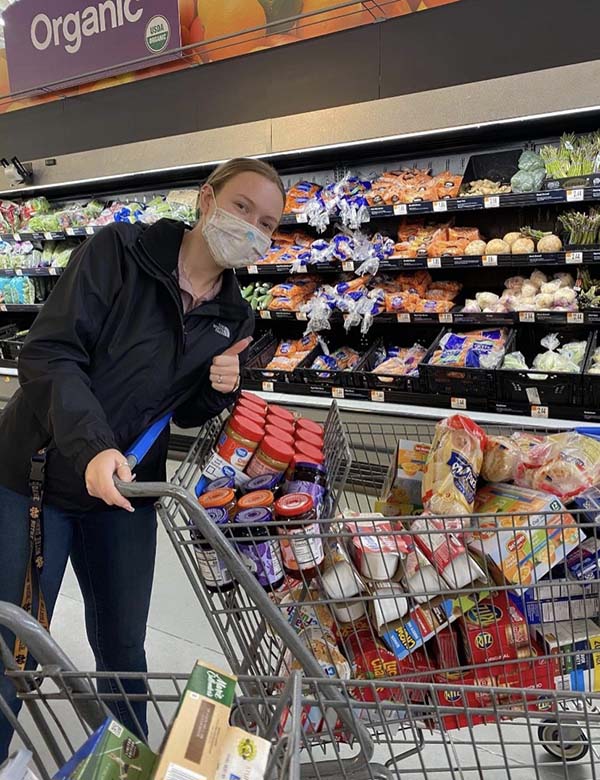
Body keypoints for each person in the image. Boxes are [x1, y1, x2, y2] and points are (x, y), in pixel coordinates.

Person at [0, 158, 286, 759]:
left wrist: (220, 388)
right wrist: (92, 445)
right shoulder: (118, 253)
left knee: (126, 646)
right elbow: (51, 353)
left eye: (267, 223)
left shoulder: (235, 313)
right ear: (205, 200)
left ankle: (127, 760)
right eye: (242, 208)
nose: (253, 228)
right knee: (16, 643)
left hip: (129, 492)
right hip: (36, 477)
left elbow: (182, 412)